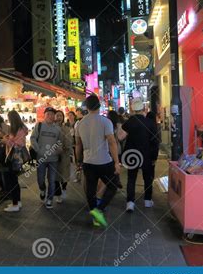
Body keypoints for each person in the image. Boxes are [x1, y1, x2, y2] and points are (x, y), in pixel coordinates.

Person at [75, 95, 121, 228]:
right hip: (104, 161)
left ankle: (95, 214)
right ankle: (99, 210)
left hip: (88, 162)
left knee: (90, 190)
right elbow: (112, 143)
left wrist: (79, 161)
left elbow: (78, 145)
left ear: (87, 107)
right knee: (112, 186)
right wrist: (116, 162)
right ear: (99, 105)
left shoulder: (80, 123)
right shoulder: (106, 122)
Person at [122, 97, 159, 212]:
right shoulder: (150, 123)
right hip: (146, 154)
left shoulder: (129, 122)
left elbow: (120, 137)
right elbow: (155, 141)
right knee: (147, 178)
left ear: (132, 110)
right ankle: (147, 201)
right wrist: (154, 157)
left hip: (131, 154)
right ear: (143, 108)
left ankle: (130, 203)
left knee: (131, 178)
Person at [31, 107, 63, 209]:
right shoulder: (39, 125)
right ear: (44, 115)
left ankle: (50, 199)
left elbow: (60, 141)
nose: (50, 116)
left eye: (52, 114)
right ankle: (42, 189)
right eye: (48, 114)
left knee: (52, 180)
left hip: (53, 159)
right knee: (40, 179)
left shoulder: (58, 128)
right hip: (41, 158)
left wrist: (59, 148)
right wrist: (38, 150)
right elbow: (32, 138)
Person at [2, 110, 28, 212]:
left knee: (12, 181)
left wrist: (6, 141)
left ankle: (15, 204)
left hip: (15, 158)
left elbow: (18, 145)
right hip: (14, 158)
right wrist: (8, 138)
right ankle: (17, 202)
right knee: (14, 180)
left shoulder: (19, 129)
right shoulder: (18, 128)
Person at [54, 110, 72, 203]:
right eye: (57, 115)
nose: (59, 117)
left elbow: (69, 141)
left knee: (64, 174)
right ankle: (58, 194)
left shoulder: (66, 129)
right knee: (55, 176)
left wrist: (65, 149)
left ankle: (64, 188)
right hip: (53, 156)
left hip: (64, 155)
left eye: (60, 115)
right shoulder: (51, 128)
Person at [146, 111, 160, 181]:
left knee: (146, 171)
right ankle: (150, 184)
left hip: (145, 152)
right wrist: (155, 156)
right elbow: (156, 142)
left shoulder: (145, 126)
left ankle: (148, 184)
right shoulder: (155, 127)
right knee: (151, 169)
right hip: (153, 152)